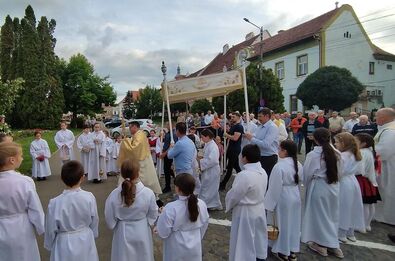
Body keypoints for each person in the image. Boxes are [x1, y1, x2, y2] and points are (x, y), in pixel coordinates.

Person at [301, 128, 343, 258]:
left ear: (315, 139)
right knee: (331, 216)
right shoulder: (337, 153)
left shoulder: (314, 155)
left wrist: (307, 185)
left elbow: (306, 174)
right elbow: (340, 172)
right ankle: (333, 244)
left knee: (319, 216)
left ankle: (322, 244)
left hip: (318, 186)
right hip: (333, 186)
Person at [44, 161, 99, 261]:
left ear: (61, 178)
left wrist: (49, 244)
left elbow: (50, 227)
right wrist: (93, 234)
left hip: (63, 242)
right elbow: (94, 219)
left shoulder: (55, 203)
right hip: (85, 239)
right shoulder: (88, 197)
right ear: (82, 178)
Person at [105, 159, 158, 261]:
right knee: (143, 256)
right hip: (141, 229)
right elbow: (153, 213)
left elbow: (109, 215)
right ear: (138, 173)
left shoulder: (114, 194)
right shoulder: (148, 193)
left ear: (122, 174)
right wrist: (149, 222)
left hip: (122, 230)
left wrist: (113, 225)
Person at [0, 142, 45, 261]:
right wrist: (42, 227)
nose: (22, 158)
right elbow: (35, 208)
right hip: (21, 228)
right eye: (20, 155)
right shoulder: (24, 182)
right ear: (12, 160)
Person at [225, 144, 268, 261]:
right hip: (259, 208)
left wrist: (229, 204)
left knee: (244, 241)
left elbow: (235, 195)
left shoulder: (244, 175)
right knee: (257, 239)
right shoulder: (263, 171)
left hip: (246, 211)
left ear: (244, 158)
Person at [156, 173, 209, 261]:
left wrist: (163, 214)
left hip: (176, 245)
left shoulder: (171, 207)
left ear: (178, 189)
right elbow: (205, 223)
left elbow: (164, 233)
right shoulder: (201, 204)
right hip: (195, 243)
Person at [264, 140, 303, 261]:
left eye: (279, 149)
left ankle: (281, 249)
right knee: (293, 224)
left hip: (283, 197)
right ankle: (291, 249)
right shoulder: (298, 164)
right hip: (295, 195)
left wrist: (269, 204)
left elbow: (274, 187)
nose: (278, 151)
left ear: (285, 151)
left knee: (282, 224)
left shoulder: (279, 166)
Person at [334, 132, 365, 242]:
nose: (335, 144)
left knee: (343, 207)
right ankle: (350, 232)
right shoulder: (355, 153)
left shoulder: (343, 156)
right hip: (352, 181)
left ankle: (341, 233)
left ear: (344, 143)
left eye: (337, 142)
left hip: (344, 182)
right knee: (352, 206)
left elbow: (339, 171)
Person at [118, 121, 162, 195]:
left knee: (143, 180)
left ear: (134, 127)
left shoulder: (140, 135)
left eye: (130, 127)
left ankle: (145, 193)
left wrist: (125, 141)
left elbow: (134, 148)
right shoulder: (137, 134)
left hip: (142, 161)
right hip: (140, 159)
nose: (129, 129)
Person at [373, 108, 395, 241]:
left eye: (377, 116)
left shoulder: (391, 132)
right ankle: (382, 215)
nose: (375, 118)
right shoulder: (387, 129)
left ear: (384, 118)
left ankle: (389, 217)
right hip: (385, 167)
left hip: (389, 168)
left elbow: (384, 152)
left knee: (389, 191)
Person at [355, 133, 380, 232]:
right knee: (370, 204)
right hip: (370, 181)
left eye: (356, 141)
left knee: (364, 204)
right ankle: (367, 224)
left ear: (363, 143)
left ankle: (362, 225)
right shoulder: (370, 151)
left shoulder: (362, 152)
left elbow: (359, 169)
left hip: (363, 180)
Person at [245, 107, 279, 179]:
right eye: (258, 116)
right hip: (261, 156)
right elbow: (255, 135)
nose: (258, 118)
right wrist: (249, 136)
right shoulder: (260, 126)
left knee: (266, 179)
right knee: (260, 178)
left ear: (266, 116)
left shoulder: (272, 127)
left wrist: (251, 138)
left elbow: (266, 144)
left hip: (269, 158)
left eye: (260, 116)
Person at [198, 129, 222, 210]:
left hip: (212, 170)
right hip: (209, 169)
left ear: (207, 137)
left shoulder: (213, 146)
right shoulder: (208, 144)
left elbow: (213, 160)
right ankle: (213, 204)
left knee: (209, 187)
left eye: (202, 137)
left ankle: (206, 204)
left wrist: (200, 162)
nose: (201, 139)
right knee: (209, 187)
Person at [220, 112, 244, 190]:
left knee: (230, 167)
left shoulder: (239, 127)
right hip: (231, 148)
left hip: (235, 149)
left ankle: (223, 184)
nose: (232, 118)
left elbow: (235, 138)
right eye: (231, 117)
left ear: (238, 117)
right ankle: (244, 178)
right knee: (236, 166)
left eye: (233, 117)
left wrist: (227, 135)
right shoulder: (234, 126)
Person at [159, 123, 178, 193]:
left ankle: (168, 186)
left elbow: (173, 146)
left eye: (167, 125)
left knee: (167, 170)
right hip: (166, 153)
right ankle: (175, 178)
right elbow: (167, 142)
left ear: (171, 125)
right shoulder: (168, 133)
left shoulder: (173, 134)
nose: (166, 126)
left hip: (169, 154)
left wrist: (164, 153)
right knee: (167, 169)